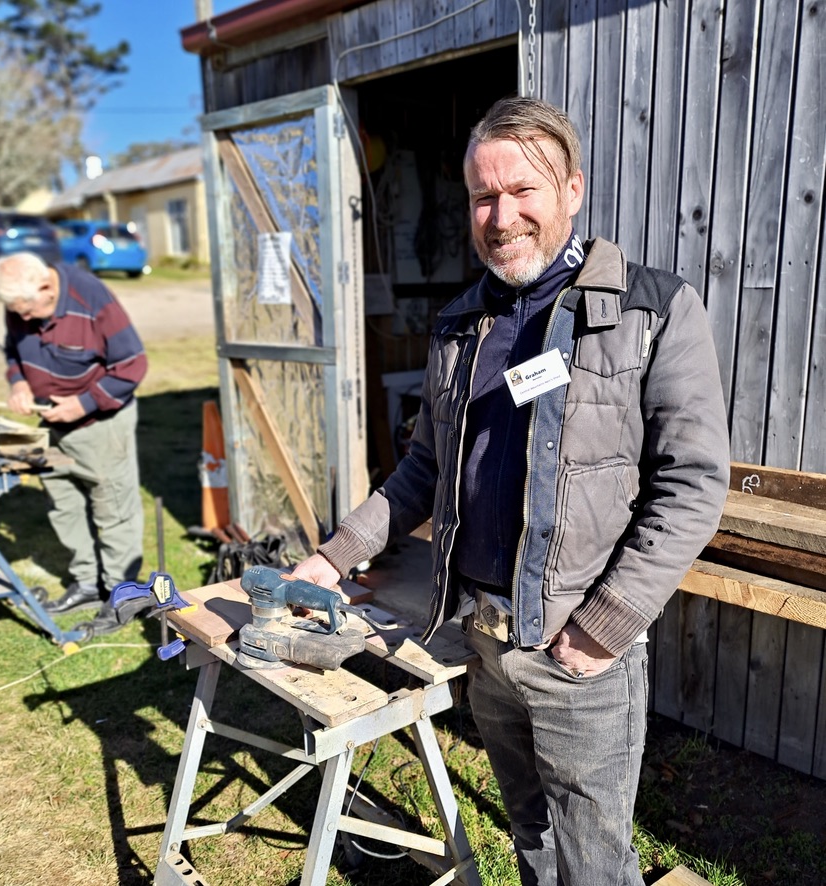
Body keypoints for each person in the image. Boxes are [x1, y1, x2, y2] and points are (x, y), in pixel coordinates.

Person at [292, 96, 731, 884]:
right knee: (530, 832)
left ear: (572, 189)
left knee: (595, 860)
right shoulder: (463, 324)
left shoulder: (652, 310)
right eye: (483, 196)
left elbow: (692, 484)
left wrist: (604, 626)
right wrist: (334, 558)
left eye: (522, 190)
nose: (501, 216)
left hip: (580, 651)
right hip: (486, 639)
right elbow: (425, 468)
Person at [0, 251, 147, 636]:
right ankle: (87, 584)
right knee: (65, 504)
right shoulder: (21, 304)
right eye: (16, 311)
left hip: (100, 422)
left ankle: (121, 595)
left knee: (113, 507)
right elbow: (12, 349)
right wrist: (19, 382)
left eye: (27, 310)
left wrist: (84, 403)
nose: (22, 318)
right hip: (52, 421)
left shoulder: (90, 299)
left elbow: (133, 364)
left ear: (45, 286)